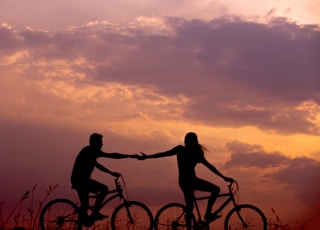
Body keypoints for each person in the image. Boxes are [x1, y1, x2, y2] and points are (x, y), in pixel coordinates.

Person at [139, 132, 233, 226]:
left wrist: (147, 157)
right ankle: (208, 214)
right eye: (185, 139)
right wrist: (224, 177)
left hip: (184, 182)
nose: (184, 141)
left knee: (190, 207)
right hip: (191, 181)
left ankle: (193, 224)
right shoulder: (190, 152)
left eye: (186, 139)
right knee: (215, 189)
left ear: (190, 141)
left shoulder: (187, 151)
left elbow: (210, 166)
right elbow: (163, 154)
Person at [71, 133, 139, 223]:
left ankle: (89, 216)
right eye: (100, 143)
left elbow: (111, 156)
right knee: (104, 189)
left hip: (83, 181)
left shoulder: (92, 152)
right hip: (80, 181)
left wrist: (129, 156)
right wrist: (130, 156)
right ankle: (94, 213)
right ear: (94, 143)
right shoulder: (88, 151)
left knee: (86, 206)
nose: (101, 145)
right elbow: (101, 163)